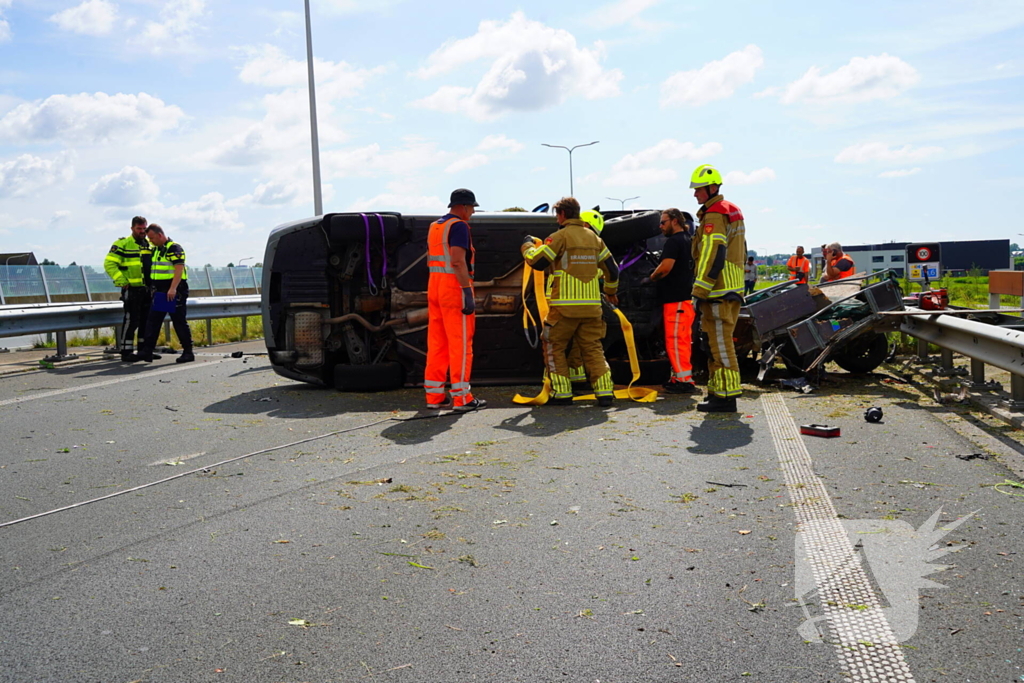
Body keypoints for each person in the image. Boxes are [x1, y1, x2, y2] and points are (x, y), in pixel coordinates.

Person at [522, 197, 620, 407]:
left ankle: (562, 393)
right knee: (593, 348)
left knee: (553, 345)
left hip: (564, 309)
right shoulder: (595, 239)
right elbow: (613, 270)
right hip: (592, 309)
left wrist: (527, 247)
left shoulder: (559, 237)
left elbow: (538, 262)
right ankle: (604, 393)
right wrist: (611, 292)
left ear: (563, 214)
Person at [690, 164, 746, 413]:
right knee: (715, 345)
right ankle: (717, 393)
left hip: (718, 291)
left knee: (721, 347)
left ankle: (726, 398)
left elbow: (713, 254)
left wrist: (699, 291)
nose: (695, 194)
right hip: (728, 288)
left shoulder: (715, 214)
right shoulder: (729, 211)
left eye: (698, 189)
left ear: (712, 188)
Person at [424, 189, 485, 412]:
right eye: (472, 208)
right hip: (453, 290)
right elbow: (458, 261)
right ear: (463, 207)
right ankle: (461, 398)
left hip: (435, 289)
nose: (473, 212)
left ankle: (434, 396)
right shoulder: (458, 226)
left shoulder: (435, 227)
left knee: (437, 344)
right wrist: (467, 291)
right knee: (460, 344)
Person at [648, 208, 696, 394]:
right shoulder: (687, 241)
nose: (660, 226)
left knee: (676, 341)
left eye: (663, 222)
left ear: (675, 221)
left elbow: (665, 268)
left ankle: (684, 381)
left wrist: (651, 277)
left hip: (676, 301)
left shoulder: (674, 242)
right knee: (680, 340)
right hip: (683, 301)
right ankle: (679, 377)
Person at [134, 224, 194, 364]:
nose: (151, 241)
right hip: (161, 291)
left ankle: (188, 352)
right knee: (153, 321)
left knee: (179, 321)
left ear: (160, 235)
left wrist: (173, 289)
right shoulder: (156, 249)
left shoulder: (174, 248)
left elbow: (179, 269)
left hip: (173, 290)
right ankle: (147, 351)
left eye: (152, 238)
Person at [103, 216, 158, 362]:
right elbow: (109, 264)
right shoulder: (123, 244)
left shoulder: (149, 245)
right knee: (131, 321)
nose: (142, 231)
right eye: (138, 229)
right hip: (132, 289)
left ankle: (143, 351)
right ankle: (126, 352)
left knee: (146, 322)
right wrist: (121, 280)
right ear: (132, 228)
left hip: (148, 290)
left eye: (144, 229)